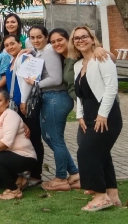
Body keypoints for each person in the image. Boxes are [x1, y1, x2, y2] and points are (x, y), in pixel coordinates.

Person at [71, 27, 123, 211]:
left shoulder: (102, 58)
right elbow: (80, 96)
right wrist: (80, 116)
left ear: (93, 39)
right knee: (102, 154)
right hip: (89, 117)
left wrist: (102, 114)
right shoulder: (78, 65)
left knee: (86, 152)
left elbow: (111, 88)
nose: (80, 40)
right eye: (76, 38)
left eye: (84, 36)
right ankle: (113, 195)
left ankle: (100, 196)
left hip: (107, 116)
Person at [23, 25, 79, 191]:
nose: (36, 40)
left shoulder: (50, 52)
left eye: (39, 37)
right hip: (49, 98)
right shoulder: (40, 52)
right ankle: (74, 172)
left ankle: (61, 177)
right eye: (32, 38)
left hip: (56, 97)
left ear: (45, 37)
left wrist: (36, 83)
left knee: (56, 139)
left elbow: (56, 78)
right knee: (49, 138)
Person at [3, 35, 44, 186]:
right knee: (23, 136)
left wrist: (24, 101)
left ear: (19, 43)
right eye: (6, 45)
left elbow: (27, 81)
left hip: (24, 103)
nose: (10, 47)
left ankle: (36, 174)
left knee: (33, 137)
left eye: (12, 44)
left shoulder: (24, 57)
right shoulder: (12, 60)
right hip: (15, 104)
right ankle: (27, 170)